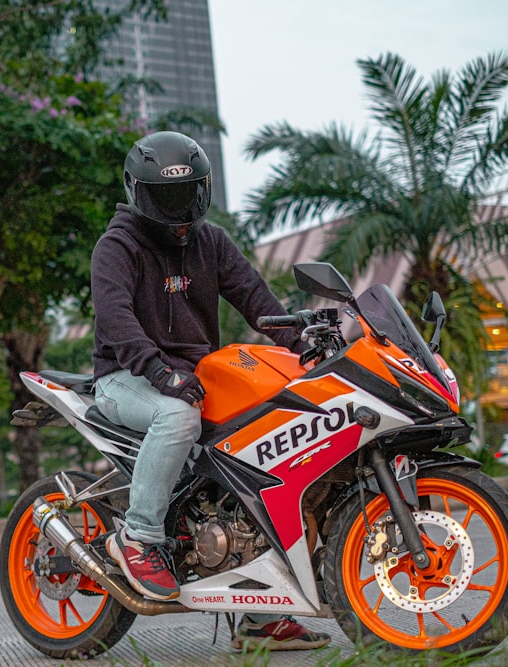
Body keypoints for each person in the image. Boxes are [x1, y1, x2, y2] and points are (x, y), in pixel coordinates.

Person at [91, 131, 331, 651]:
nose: (179, 208)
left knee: (272, 445)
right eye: (166, 196)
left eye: (188, 194)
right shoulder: (118, 245)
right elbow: (115, 319)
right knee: (177, 418)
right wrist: (158, 372)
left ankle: (259, 616)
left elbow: (255, 298)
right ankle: (139, 536)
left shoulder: (211, 242)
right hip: (125, 378)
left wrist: (304, 340)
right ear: (139, 192)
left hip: (192, 378)